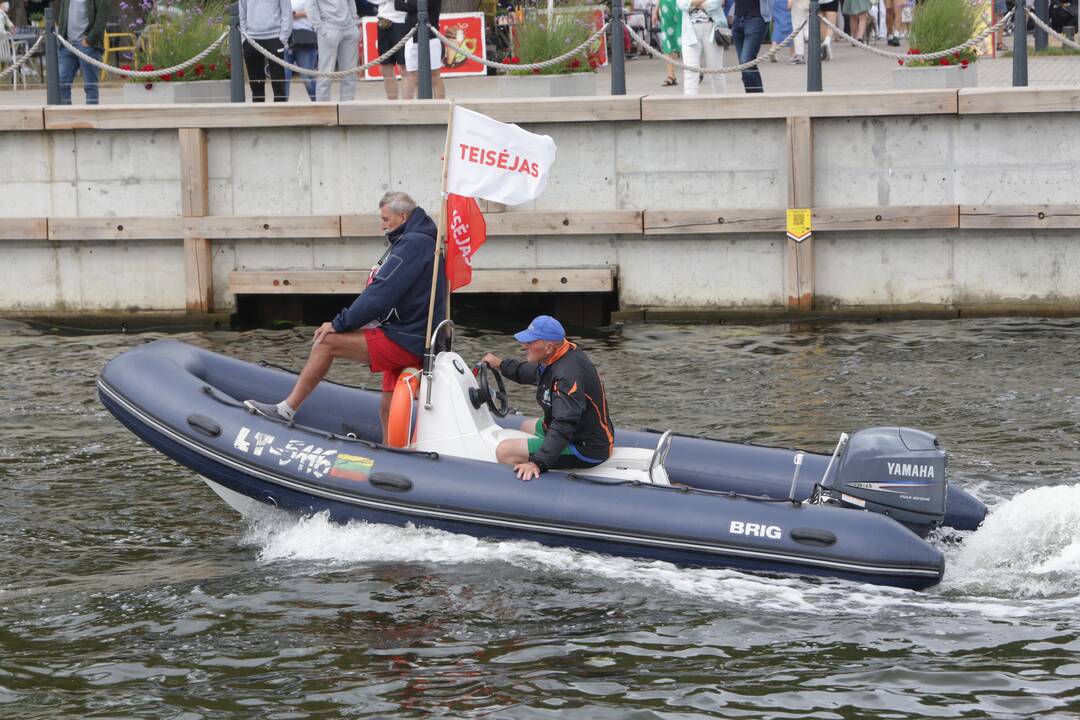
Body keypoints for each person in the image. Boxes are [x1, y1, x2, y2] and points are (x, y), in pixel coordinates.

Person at [245, 192, 446, 440]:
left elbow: (380, 295)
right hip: (412, 332)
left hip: (407, 337)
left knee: (326, 343)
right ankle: (393, 454)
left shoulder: (412, 244)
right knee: (388, 401)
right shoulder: (424, 240)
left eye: (386, 219)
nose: (382, 225)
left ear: (402, 216)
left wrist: (339, 323)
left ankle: (285, 410)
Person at [481, 316, 614, 481]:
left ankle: (523, 492)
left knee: (504, 451)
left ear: (549, 347)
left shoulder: (567, 376)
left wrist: (538, 462)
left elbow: (565, 423)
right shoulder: (560, 354)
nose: (524, 346)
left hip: (585, 447)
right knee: (525, 426)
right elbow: (532, 373)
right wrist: (501, 365)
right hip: (579, 430)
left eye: (530, 342)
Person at [56, 0, 108, 105]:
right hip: (67, 45)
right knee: (62, 83)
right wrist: (62, 37)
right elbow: (62, 15)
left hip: (87, 46)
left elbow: (101, 18)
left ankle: (91, 117)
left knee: (90, 86)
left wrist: (90, 40)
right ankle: (65, 117)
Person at [306, 0, 360, 101]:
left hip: (349, 27)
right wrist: (320, 28)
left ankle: (346, 111)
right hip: (329, 28)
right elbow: (310, 5)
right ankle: (323, 112)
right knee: (325, 75)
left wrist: (354, 21)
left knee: (350, 75)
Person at [240, 0, 292, 102]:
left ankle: (279, 115)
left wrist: (283, 38)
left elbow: (287, 13)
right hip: (251, 39)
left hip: (275, 38)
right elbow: (242, 14)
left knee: (279, 86)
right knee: (256, 86)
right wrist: (244, 38)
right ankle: (258, 115)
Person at [677, 0, 727, 95]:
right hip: (689, 29)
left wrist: (693, 3)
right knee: (690, 71)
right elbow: (682, 4)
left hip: (712, 28)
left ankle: (722, 104)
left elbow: (716, 2)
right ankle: (691, 106)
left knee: (716, 70)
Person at [398, 0, 444, 99]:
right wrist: (409, 5)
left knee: (434, 75)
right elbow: (398, 5)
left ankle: (440, 106)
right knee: (415, 76)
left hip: (431, 36)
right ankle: (421, 105)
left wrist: (408, 4)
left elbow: (421, 5)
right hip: (411, 36)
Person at [730, 0, 769, 93]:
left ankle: (756, 99)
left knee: (746, 63)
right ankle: (753, 97)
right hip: (738, 18)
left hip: (756, 19)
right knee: (745, 66)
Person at [285, 0, 318, 101]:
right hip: (285, 37)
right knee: (284, 76)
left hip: (305, 37)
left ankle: (318, 103)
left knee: (307, 77)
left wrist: (298, 14)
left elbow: (318, 11)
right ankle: (282, 107)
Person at [376, 0, 408, 99]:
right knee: (385, 67)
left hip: (402, 20)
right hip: (383, 20)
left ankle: (408, 107)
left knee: (405, 67)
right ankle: (393, 105)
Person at [652, 0, 681, 86]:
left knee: (683, 40)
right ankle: (671, 76)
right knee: (667, 42)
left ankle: (695, 68)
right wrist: (655, 11)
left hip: (679, 7)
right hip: (665, 9)